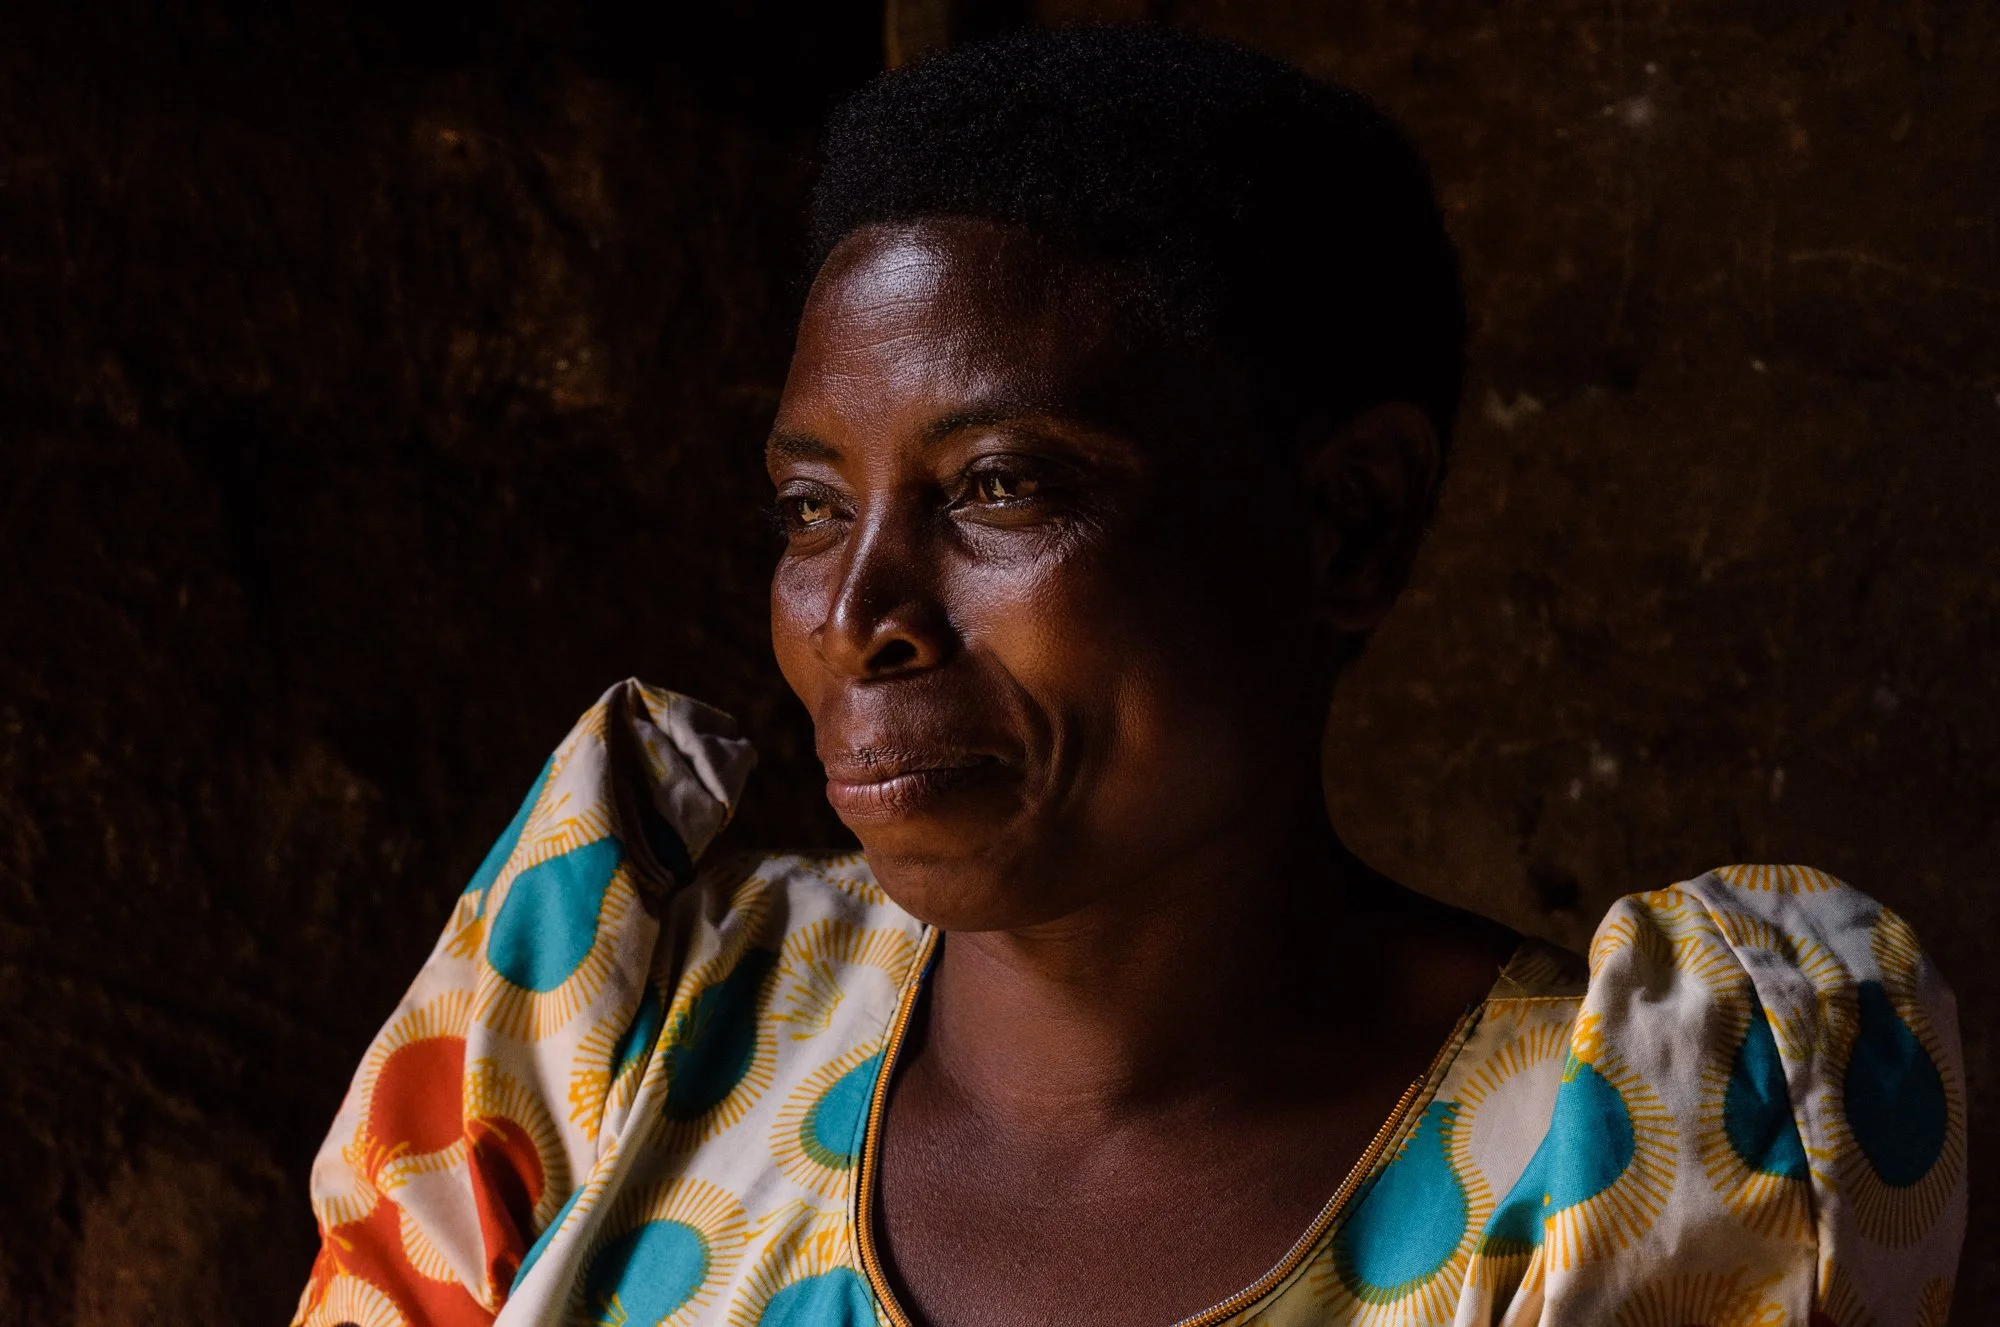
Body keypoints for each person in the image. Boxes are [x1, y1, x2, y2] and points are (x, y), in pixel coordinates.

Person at [290, 26, 1966, 1327]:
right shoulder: (627, 1041)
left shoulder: (1637, 1158)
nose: (859, 609)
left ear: (1344, 526)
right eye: (811, 507)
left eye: (1002, 486)